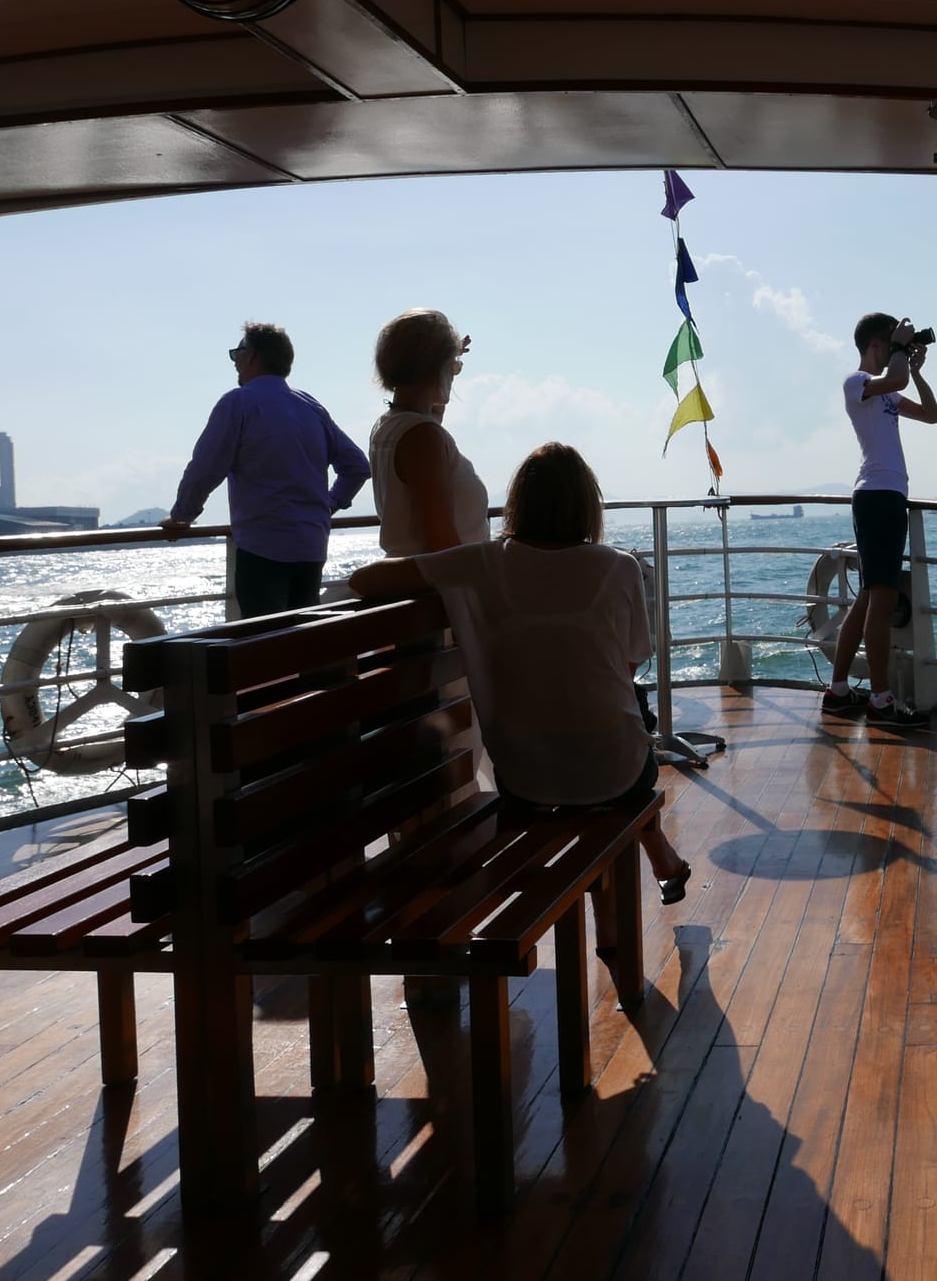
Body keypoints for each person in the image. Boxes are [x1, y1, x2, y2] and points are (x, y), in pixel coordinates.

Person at [347, 442, 691, 949]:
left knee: (608, 735)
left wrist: (444, 577)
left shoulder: (483, 562)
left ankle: (652, 871)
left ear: (518, 504)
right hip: (611, 770)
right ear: (586, 506)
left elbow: (365, 579)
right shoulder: (618, 567)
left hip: (526, 773)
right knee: (624, 725)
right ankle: (623, 912)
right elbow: (631, 661)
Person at [162, 322, 370, 617]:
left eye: (238, 353)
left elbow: (205, 470)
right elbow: (357, 467)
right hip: (311, 546)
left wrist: (181, 516)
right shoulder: (310, 406)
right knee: (304, 641)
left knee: (264, 645)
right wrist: (328, 505)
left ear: (253, 356)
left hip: (263, 547)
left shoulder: (238, 403)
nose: (235, 361)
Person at [823, 312, 937, 728]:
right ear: (877, 344)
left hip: (886, 495)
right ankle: (880, 699)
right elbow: (895, 380)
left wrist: (917, 370)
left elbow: (932, 414)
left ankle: (839, 691)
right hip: (877, 495)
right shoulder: (857, 383)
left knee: (868, 597)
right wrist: (900, 356)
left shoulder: (888, 392)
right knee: (883, 598)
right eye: (892, 343)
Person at [369, 310, 489, 555]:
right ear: (435, 366)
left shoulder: (389, 426)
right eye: (454, 366)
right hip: (442, 589)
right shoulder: (423, 437)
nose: (454, 372)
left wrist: (449, 352)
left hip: (411, 580)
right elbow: (443, 548)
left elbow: (430, 413)